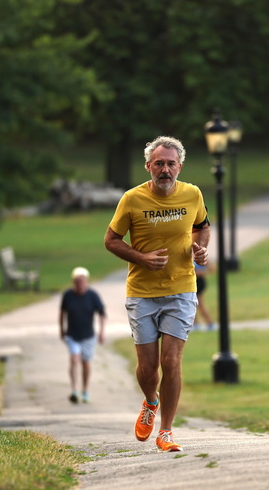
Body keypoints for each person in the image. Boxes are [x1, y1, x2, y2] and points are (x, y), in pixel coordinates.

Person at [104, 135, 210, 453]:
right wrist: (142, 258)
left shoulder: (192, 194)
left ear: (180, 166)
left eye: (171, 164)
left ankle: (166, 432)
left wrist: (201, 248)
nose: (165, 170)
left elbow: (203, 225)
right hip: (142, 292)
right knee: (148, 368)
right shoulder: (132, 199)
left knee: (171, 361)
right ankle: (151, 401)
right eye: (159, 164)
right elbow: (111, 240)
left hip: (181, 289)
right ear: (148, 166)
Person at [59, 266, 106, 404]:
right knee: (74, 359)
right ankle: (74, 390)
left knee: (86, 363)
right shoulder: (68, 295)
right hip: (72, 335)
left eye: (82, 281)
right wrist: (61, 329)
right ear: (73, 282)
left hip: (88, 336)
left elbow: (102, 314)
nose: (80, 284)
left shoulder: (92, 296)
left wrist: (102, 332)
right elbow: (62, 313)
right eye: (77, 281)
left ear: (87, 281)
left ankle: (85, 390)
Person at [193, 262, 216, 331]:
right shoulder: (189, 256)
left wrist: (201, 272)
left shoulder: (201, 256)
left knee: (200, 304)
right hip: (192, 282)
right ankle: (195, 323)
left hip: (199, 282)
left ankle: (210, 323)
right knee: (192, 305)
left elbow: (212, 269)